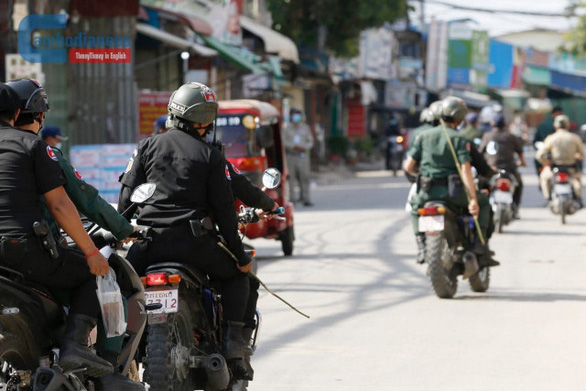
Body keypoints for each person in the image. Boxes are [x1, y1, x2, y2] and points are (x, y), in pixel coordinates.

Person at [8, 79, 143, 390]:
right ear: (38, 116)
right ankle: (93, 359)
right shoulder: (39, 150)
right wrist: (119, 232)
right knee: (97, 274)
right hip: (32, 250)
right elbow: (77, 201)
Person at [118, 82, 253, 379]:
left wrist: (121, 232)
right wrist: (240, 255)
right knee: (239, 276)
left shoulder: (146, 146)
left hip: (148, 244)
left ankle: (116, 352)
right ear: (204, 121)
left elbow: (126, 200)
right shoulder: (211, 156)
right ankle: (233, 346)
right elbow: (225, 213)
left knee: (119, 284)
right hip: (196, 245)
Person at [403, 96, 495, 266]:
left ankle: (422, 247)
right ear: (459, 118)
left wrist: (422, 175)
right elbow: (466, 170)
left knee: (415, 208)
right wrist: (473, 199)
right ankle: (480, 246)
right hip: (454, 194)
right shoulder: (458, 138)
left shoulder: (423, 136)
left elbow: (409, 167)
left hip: (427, 193)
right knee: (483, 203)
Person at [480, 113, 526, 219]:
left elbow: (481, 152)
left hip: (491, 169)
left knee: (482, 185)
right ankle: (515, 209)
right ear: (504, 124)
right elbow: (520, 152)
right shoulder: (510, 136)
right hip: (508, 169)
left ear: (492, 124)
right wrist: (522, 162)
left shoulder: (487, 136)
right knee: (519, 185)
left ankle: (482, 208)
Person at [536, 115, 584, 207]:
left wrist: (545, 163)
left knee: (544, 178)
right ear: (568, 125)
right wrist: (577, 157)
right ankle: (578, 198)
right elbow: (582, 153)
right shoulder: (574, 137)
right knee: (577, 181)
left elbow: (540, 155)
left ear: (556, 126)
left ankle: (548, 198)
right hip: (571, 168)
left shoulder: (551, 138)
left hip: (555, 167)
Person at [283, 108, 314, 206]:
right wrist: (294, 146)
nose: (296, 117)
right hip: (291, 156)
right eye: (294, 115)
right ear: (291, 116)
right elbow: (284, 142)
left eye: (298, 115)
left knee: (305, 178)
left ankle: (306, 199)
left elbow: (310, 141)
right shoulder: (286, 128)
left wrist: (305, 148)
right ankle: (292, 200)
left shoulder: (305, 128)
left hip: (303, 156)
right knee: (291, 178)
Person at [533, 106, 563, 183]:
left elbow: (535, 141)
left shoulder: (543, 125)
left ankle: (541, 179)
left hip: (547, 156)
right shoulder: (564, 126)